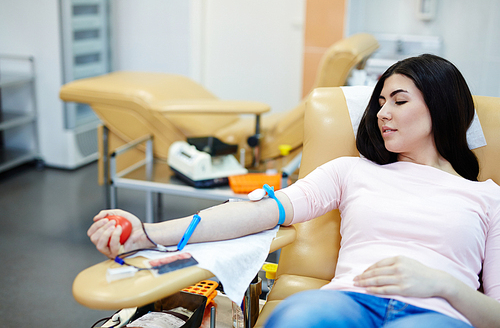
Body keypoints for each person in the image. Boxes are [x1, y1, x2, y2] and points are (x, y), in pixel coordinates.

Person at [88, 54, 500, 328]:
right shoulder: (352, 171)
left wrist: (442, 285)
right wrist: (148, 233)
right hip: (347, 303)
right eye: (379, 103)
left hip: (436, 312)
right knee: (298, 317)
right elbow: (261, 211)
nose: (382, 113)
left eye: (398, 100)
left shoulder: (487, 197)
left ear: (442, 105)